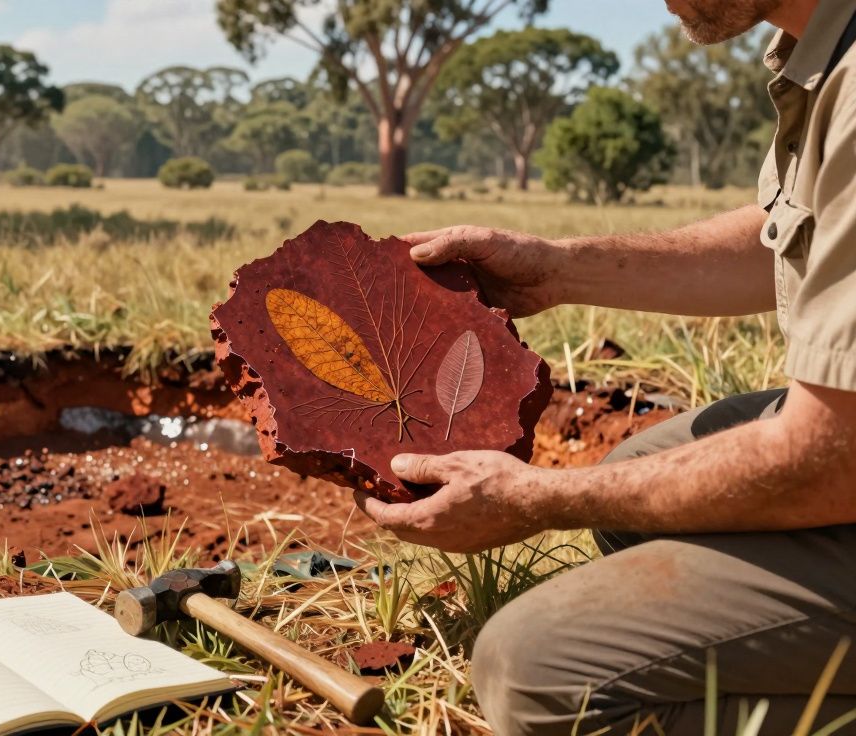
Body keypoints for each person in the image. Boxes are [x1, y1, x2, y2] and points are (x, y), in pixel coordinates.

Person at [352, 0, 856, 733]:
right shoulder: (823, 48)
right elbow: (781, 241)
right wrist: (557, 270)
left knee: (535, 673)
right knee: (639, 480)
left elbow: (831, 458)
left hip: (842, 458)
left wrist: (540, 499)